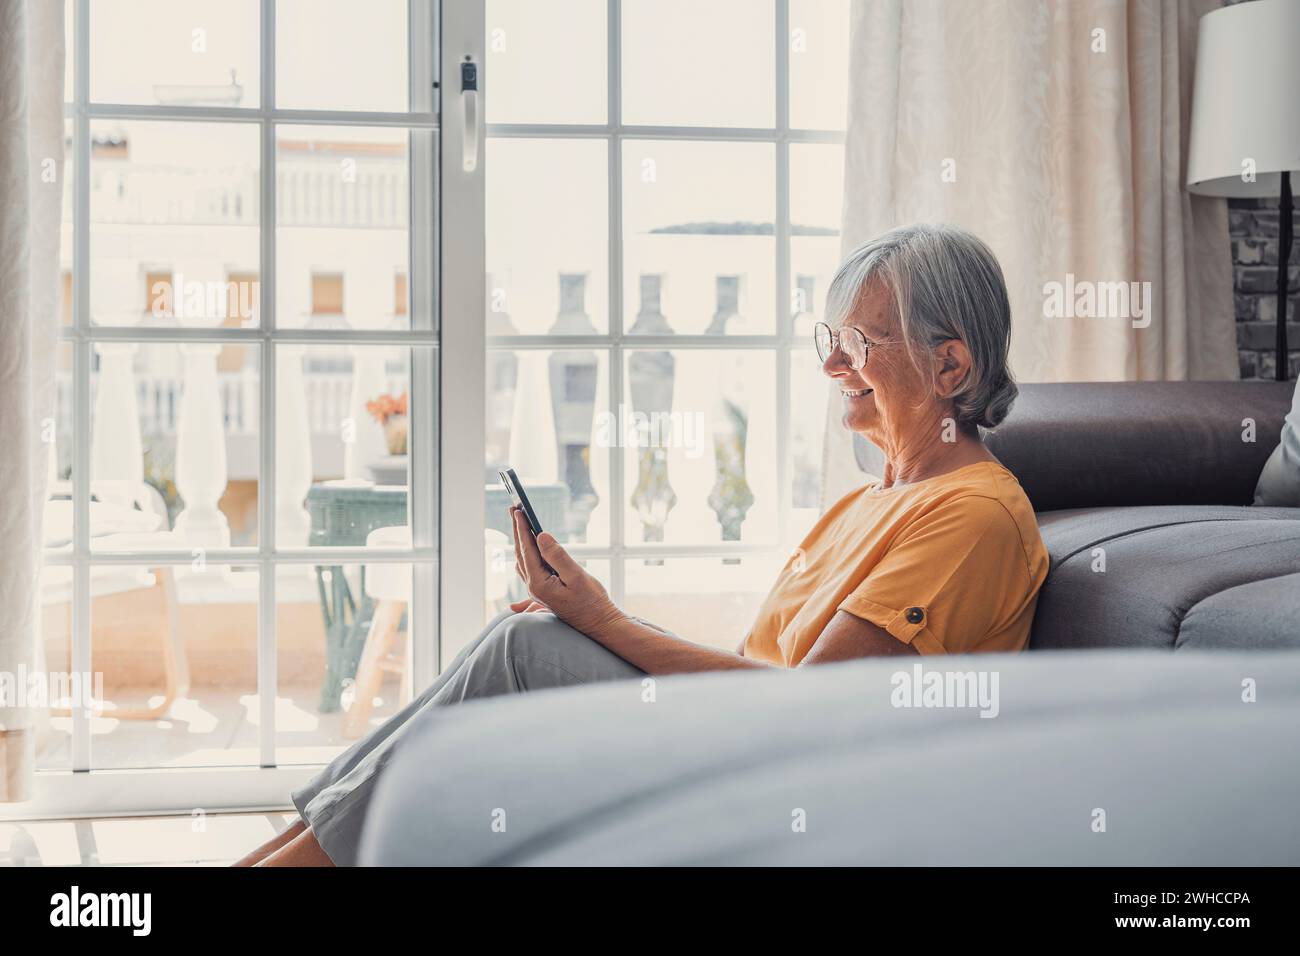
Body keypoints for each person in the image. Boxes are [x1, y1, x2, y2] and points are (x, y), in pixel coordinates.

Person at [235, 223, 1050, 866]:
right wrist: (599, 619)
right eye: (830, 338)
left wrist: (603, 622)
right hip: (741, 751)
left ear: (949, 367)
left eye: (862, 344)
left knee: (525, 647)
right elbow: (753, 671)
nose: (834, 363)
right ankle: (277, 857)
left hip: (802, 787)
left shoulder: (971, 516)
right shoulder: (866, 501)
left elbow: (811, 710)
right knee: (521, 643)